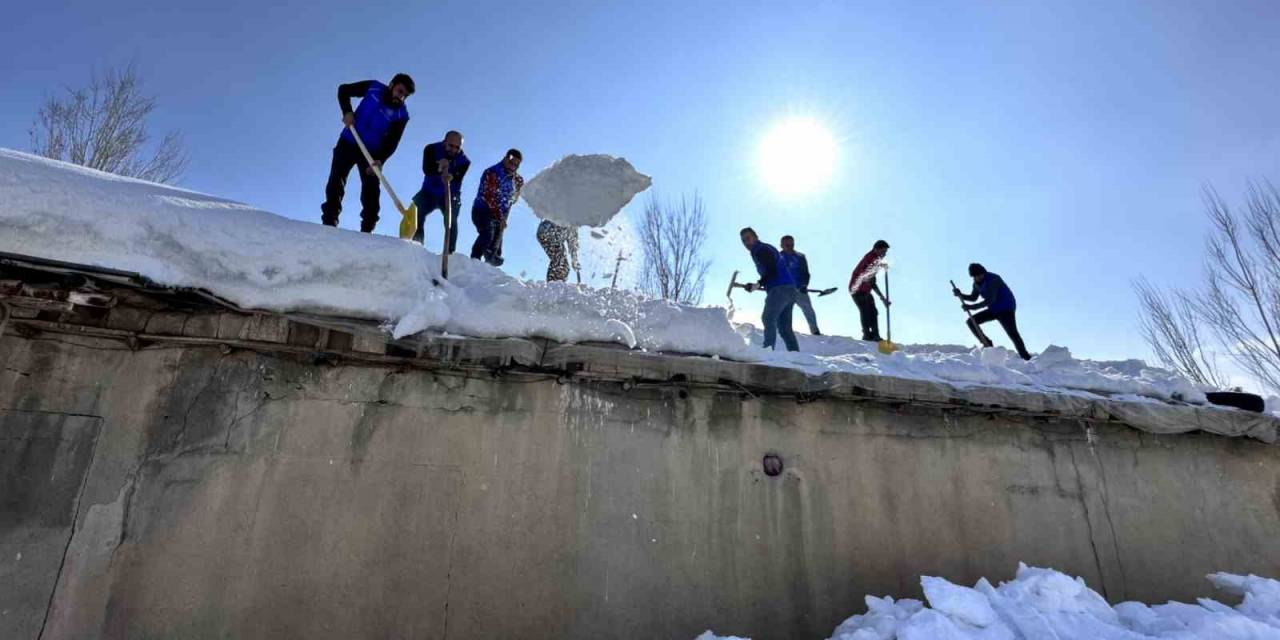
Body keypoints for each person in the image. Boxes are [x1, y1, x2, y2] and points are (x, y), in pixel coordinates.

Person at [320, 74, 414, 232]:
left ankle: (367, 230)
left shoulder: (401, 115)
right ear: (391, 85)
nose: (401, 97)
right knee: (336, 180)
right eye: (400, 91)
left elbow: (393, 141)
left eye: (405, 96)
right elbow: (343, 90)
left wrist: (380, 159)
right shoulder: (373, 88)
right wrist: (347, 112)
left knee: (371, 191)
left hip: (371, 153)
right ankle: (329, 222)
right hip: (349, 141)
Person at [954, 263, 1033, 360]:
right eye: (975, 276)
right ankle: (987, 344)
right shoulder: (976, 284)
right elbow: (973, 297)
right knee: (971, 322)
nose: (978, 277)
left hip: (1006, 308)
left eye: (980, 274)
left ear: (984, 272)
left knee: (1012, 333)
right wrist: (961, 295)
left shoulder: (993, 279)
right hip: (993, 309)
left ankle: (1026, 357)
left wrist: (971, 307)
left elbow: (990, 300)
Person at [740, 227, 799, 352]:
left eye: (748, 238)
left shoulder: (761, 250)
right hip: (790, 290)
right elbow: (771, 271)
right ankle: (796, 356)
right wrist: (758, 284)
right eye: (743, 240)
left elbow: (772, 271)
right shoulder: (764, 248)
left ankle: (768, 352)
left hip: (779, 289)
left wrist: (758, 284)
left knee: (768, 318)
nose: (746, 242)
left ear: (756, 237)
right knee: (784, 328)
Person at [411, 131, 470, 250]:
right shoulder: (431, 149)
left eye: (457, 147)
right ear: (444, 142)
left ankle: (449, 252)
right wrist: (439, 167)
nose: (453, 150)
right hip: (429, 192)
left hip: (450, 194)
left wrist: (451, 176)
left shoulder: (464, 161)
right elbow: (427, 169)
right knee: (416, 212)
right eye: (451, 146)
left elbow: (458, 178)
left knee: (451, 221)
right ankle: (416, 245)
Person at [470, 149, 524, 265]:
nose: (513, 167)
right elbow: (490, 198)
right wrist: (501, 217)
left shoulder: (516, 179)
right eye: (511, 163)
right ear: (505, 159)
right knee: (488, 234)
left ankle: (489, 269)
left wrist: (518, 191)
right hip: (482, 212)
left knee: (496, 247)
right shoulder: (492, 173)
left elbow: (513, 200)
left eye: (516, 165)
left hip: (499, 216)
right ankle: (474, 261)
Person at [848, 240, 891, 342]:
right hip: (857, 290)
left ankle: (875, 335)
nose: (884, 254)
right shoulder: (870, 260)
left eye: (885, 252)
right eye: (883, 251)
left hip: (865, 290)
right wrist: (883, 298)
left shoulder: (875, 259)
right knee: (865, 311)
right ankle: (867, 335)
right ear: (876, 249)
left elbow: (872, 280)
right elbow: (872, 282)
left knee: (873, 312)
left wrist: (882, 265)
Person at [780, 235, 821, 335]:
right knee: (781, 311)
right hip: (783, 290)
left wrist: (804, 285)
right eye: (787, 244)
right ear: (781, 245)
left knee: (808, 309)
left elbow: (806, 273)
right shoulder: (777, 257)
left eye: (791, 244)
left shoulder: (800, 257)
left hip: (799, 290)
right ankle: (782, 331)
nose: (789, 246)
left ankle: (815, 331)